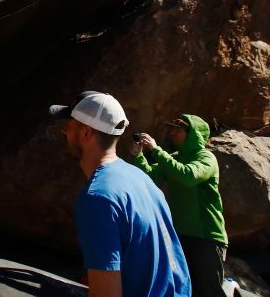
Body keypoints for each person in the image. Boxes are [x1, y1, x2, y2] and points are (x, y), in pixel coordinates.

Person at [48, 91, 191, 297]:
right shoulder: (139, 178)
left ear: (87, 132)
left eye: (68, 126)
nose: (65, 133)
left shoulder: (98, 199)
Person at [129, 114, 228, 297]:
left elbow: (188, 177)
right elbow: (151, 177)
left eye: (178, 129)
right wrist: (139, 156)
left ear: (193, 134)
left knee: (208, 292)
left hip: (206, 237)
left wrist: (157, 151)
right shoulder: (175, 157)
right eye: (172, 128)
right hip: (180, 235)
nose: (172, 133)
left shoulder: (206, 158)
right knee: (182, 288)